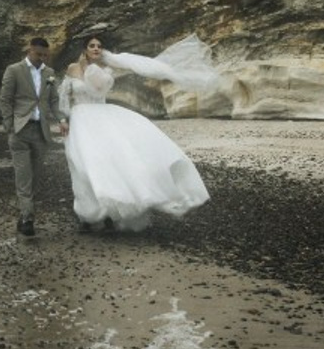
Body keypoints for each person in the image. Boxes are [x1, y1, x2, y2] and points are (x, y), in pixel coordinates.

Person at [60, 34, 211, 232]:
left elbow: (97, 91)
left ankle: (108, 212)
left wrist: (89, 69)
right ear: (85, 49)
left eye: (99, 46)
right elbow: (64, 95)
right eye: (91, 45)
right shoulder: (72, 68)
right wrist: (63, 118)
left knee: (105, 163)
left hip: (101, 118)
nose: (96, 48)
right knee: (81, 167)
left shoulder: (106, 70)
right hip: (80, 119)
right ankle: (87, 215)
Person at [0, 36, 67, 236]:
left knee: (36, 178)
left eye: (45, 55)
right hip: (20, 130)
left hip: (41, 131)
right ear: (29, 50)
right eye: (39, 54)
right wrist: (9, 126)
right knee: (24, 177)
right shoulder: (14, 70)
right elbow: (5, 99)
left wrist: (61, 119)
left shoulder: (50, 73)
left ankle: (24, 215)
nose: (42, 58)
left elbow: (53, 100)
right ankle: (28, 218)